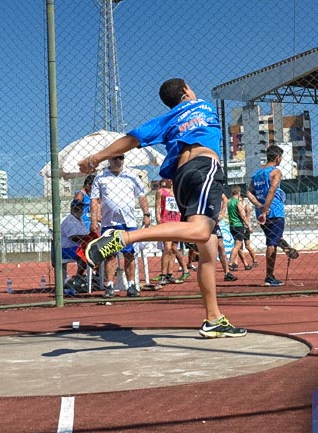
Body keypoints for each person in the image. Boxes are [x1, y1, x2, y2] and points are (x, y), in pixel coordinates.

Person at [78, 78, 246, 338]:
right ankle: (124, 237)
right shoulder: (203, 106)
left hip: (180, 178)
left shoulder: (167, 119)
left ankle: (213, 318)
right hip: (205, 168)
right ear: (187, 90)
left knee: (208, 252)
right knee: (201, 232)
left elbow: (131, 138)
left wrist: (95, 158)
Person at [90, 155, 151, 298]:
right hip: (109, 223)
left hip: (129, 222)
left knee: (129, 254)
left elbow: (141, 196)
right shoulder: (100, 177)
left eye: (121, 158)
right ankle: (110, 285)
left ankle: (131, 285)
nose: (118, 161)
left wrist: (146, 214)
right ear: (109, 160)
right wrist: (93, 221)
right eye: (115, 158)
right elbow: (94, 200)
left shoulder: (131, 176)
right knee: (110, 255)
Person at [248, 144, 299, 287]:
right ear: (277, 158)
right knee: (271, 243)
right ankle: (269, 276)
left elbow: (249, 192)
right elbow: (272, 190)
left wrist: (259, 207)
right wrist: (266, 209)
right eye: (281, 157)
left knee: (273, 237)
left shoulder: (257, 173)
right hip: (274, 211)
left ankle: (285, 247)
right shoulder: (276, 172)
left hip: (260, 213)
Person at [154, 178, 189, 286]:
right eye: (169, 178)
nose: (171, 180)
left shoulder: (178, 192)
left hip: (177, 222)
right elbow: (158, 207)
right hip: (166, 222)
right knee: (167, 247)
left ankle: (170, 273)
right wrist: (158, 220)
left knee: (174, 248)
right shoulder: (161, 191)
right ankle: (163, 274)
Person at [226, 186, 257, 271]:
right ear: (239, 193)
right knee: (238, 245)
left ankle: (243, 264)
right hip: (239, 225)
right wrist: (249, 226)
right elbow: (242, 215)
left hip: (232, 225)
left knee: (237, 245)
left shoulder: (228, 202)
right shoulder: (237, 202)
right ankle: (230, 263)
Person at [59, 200, 89, 284]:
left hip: (76, 247)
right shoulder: (69, 221)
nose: (79, 209)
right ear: (72, 208)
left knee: (93, 251)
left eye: (81, 207)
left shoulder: (80, 220)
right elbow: (73, 237)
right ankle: (78, 276)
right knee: (85, 251)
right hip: (66, 249)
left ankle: (95, 275)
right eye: (76, 208)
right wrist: (88, 238)